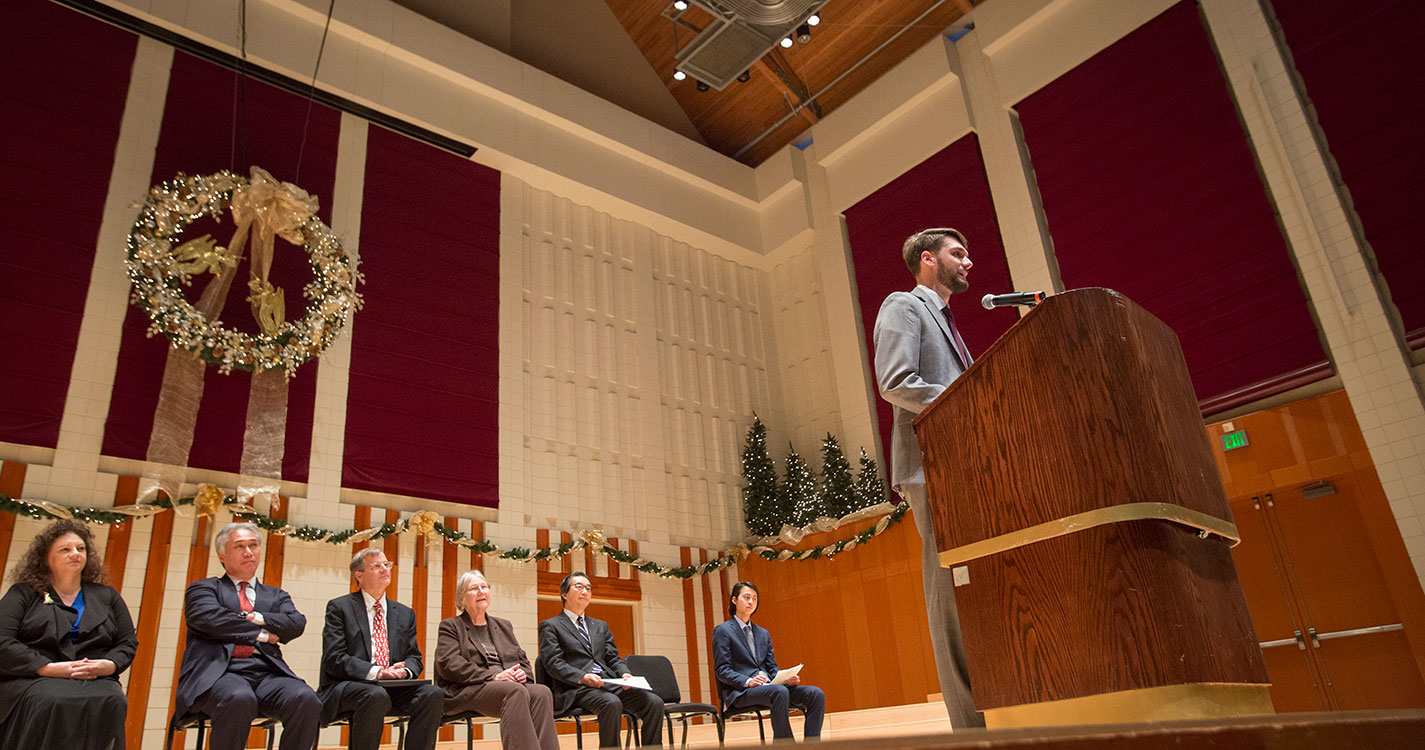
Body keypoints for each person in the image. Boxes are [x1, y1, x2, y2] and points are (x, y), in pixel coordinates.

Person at [872, 227, 985, 728]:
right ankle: (970, 725)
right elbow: (896, 382)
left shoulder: (949, 322)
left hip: (964, 463)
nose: (969, 262)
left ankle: (997, 707)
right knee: (948, 594)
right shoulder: (904, 305)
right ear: (927, 260)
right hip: (930, 465)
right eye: (958, 253)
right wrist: (972, 399)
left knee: (974, 587)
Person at [173, 521, 322, 750]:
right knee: (239, 698)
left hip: (266, 674)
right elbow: (210, 619)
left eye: (253, 545)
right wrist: (263, 634)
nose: (249, 552)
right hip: (220, 674)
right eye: (240, 546)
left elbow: (296, 623)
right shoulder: (204, 589)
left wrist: (258, 617)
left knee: (306, 699)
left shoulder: (276, 595)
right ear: (222, 555)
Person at [0, 519, 137, 750]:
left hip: (94, 677)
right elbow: (3, 640)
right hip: (35, 677)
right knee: (52, 700)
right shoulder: (23, 593)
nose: (75, 554)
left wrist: (110, 665)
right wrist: (47, 668)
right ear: (46, 558)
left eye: (80, 549)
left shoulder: (107, 595)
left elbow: (127, 642)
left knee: (113, 698)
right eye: (65, 549)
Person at [319, 547, 444, 750]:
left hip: (391, 689)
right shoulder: (340, 608)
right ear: (359, 575)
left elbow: (414, 656)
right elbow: (334, 658)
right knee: (375, 696)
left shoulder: (404, 613)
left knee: (432, 694)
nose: (385, 569)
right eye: (376, 566)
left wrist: (405, 671)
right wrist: (379, 672)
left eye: (386, 564)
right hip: (348, 686)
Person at [537, 571, 664, 748]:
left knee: (654, 702)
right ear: (564, 594)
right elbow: (553, 663)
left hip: (607, 682)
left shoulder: (600, 625)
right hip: (575, 688)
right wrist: (582, 677)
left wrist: (625, 673)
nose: (585, 591)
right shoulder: (551, 625)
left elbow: (613, 657)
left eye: (588, 588)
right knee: (610, 703)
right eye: (579, 586)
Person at [435, 570, 558, 750]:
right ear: (461, 598)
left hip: (505, 686)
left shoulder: (503, 625)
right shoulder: (451, 626)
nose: (481, 592)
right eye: (474, 588)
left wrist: (521, 674)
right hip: (468, 689)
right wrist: (493, 676)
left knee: (541, 692)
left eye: (484, 587)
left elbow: (522, 659)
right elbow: (448, 663)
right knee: (514, 691)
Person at [712, 581, 824, 742]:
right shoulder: (723, 631)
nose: (751, 602)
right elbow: (722, 670)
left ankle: (812, 745)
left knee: (815, 694)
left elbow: (772, 667)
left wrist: (785, 679)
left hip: (770, 689)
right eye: (747, 597)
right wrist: (749, 681)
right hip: (741, 692)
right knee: (779, 692)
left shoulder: (763, 633)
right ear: (734, 600)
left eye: (755, 598)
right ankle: (786, 745)